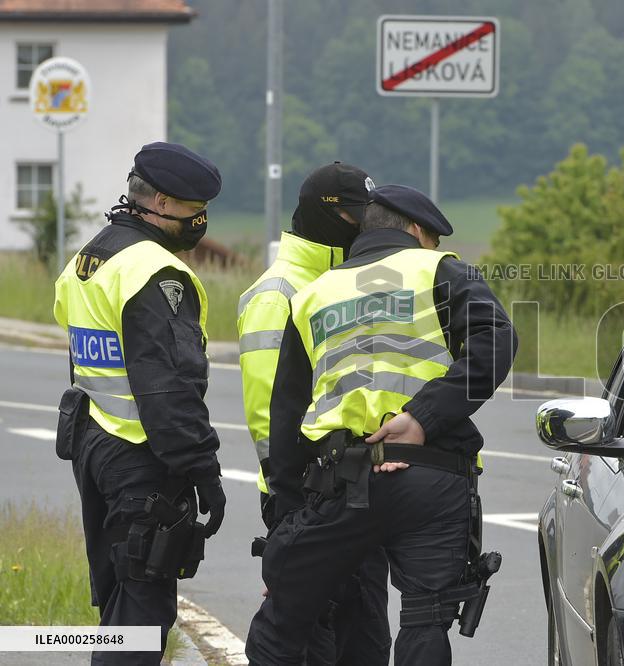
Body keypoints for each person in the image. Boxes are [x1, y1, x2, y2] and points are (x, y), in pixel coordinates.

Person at [245, 184, 517, 665]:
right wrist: (424, 417)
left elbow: (287, 417)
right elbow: (497, 340)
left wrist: (288, 523)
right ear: (416, 231)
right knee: (425, 619)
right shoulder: (441, 269)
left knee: (283, 618)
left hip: (341, 481)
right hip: (433, 477)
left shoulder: (312, 296)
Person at [52, 142, 227, 665]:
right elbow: (169, 387)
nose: (201, 222)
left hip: (94, 447)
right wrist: (202, 470)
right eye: (196, 210)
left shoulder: (90, 257)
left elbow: (84, 361)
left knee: (117, 606)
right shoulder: (156, 272)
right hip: (140, 461)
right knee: (141, 622)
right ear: (165, 204)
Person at [237, 162, 390, 665]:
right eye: (355, 215)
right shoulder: (277, 293)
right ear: (323, 215)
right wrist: (291, 512)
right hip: (303, 497)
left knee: (362, 638)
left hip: (353, 491)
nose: (363, 226)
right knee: (312, 646)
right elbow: (269, 419)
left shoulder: (352, 283)